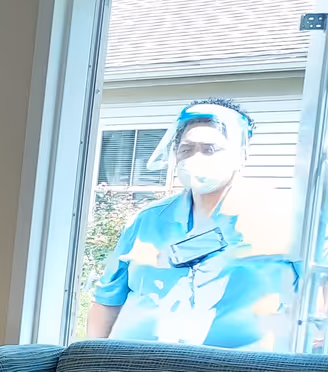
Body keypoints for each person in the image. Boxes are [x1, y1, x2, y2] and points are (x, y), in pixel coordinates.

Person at [85, 98, 296, 349]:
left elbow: (318, 303)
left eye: (210, 149)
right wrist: (92, 360)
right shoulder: (147, 220)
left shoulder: (283, 218)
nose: (195, 158)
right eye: (186, 149)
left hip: (236, 369)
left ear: (241, 155)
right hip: (137, 364)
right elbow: (107, 299)